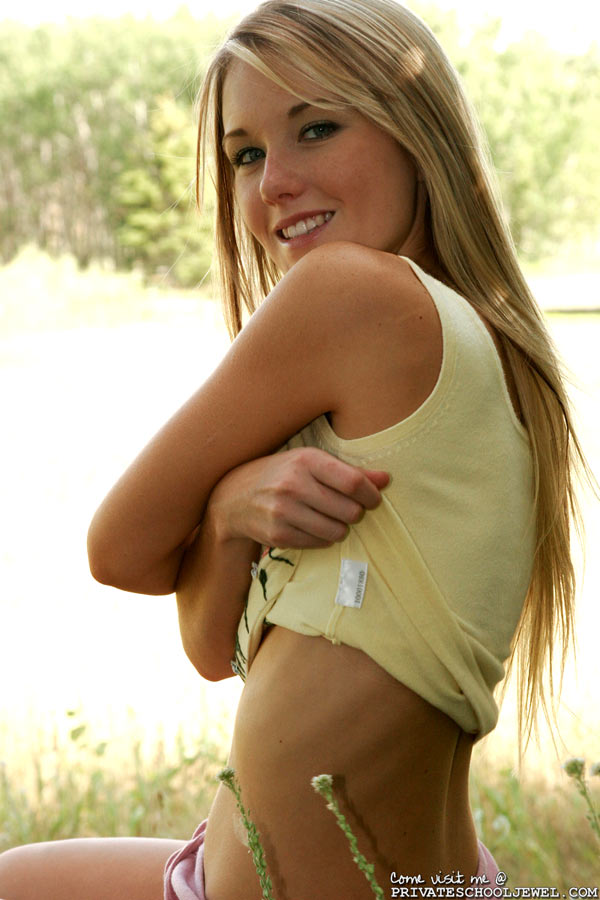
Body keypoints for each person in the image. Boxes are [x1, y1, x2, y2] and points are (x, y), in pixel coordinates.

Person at [0, 1, 588, 898]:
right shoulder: (472, 341)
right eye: (244, 155)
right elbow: (213, 648)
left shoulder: (355, 296)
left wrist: (221, 498)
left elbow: (116, 548)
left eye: (316, 128)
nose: (273, 182)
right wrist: (231, 514)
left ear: (417, 133)